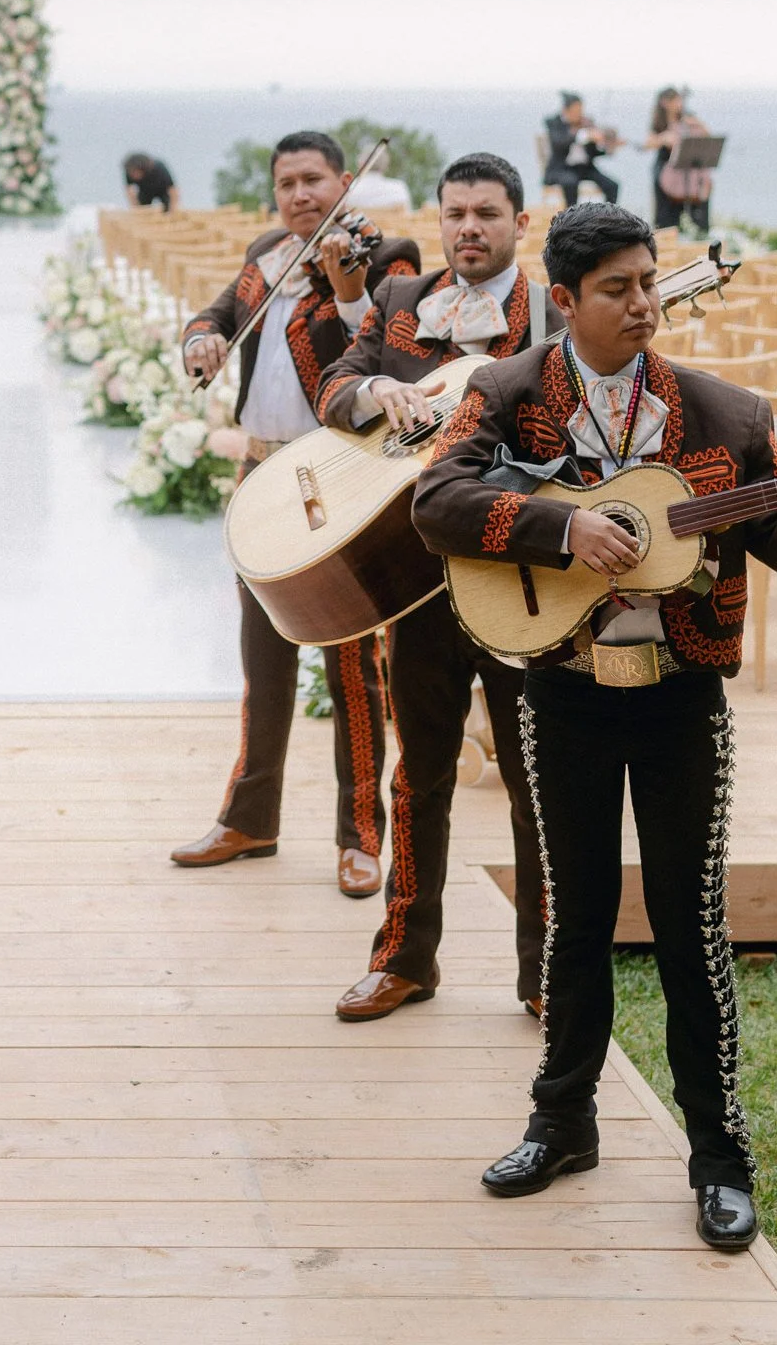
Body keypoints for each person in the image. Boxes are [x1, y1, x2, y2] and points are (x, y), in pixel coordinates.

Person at [412, 201, 777, 1250]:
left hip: (685, 700)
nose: (644, 303)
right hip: (565, 692)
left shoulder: (725, 413)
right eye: (619, 288)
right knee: (578, 919)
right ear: (565, 300)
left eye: (649, 282)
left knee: (691, 926)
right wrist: (561, 524)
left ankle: (720, 1158)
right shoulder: (506, 392)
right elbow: (437, 499)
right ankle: (562, 1124)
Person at [313, 151, 549, 1020]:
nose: (469, 229)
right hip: (416, 581)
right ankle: (406, 957)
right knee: (420, 776)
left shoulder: (557, 314)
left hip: (527, 582)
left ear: (520, 224)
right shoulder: (402, 302)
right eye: (455, 214)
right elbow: (334, 386)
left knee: (539, 781)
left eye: (487, 214)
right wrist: (378, 388)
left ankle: (545, 972)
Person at [171, 131, 419, 893]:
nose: (301, 196)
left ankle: (360, 836)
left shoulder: (387, 257)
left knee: (348, 663)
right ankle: (251, 817)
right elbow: (213, 315)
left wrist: (346, 288)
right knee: (263, 659)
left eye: (314, 180)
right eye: (288, 184)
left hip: (331, 474)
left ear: (344, 181)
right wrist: (204, 341)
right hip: (260, 469)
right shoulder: (268, 251)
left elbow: (381, 355)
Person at [650, 88, 714, 234]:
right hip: (667, 169)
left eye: (679, 100)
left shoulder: (688, 118)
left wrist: (699, 124)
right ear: (665, 102)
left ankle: (701, 232)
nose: (679, 104)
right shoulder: (660, 121)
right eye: (675, 101)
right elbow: (648, 142)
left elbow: (707, 136)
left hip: (689, 170)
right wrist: (664, 138)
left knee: (702, 197)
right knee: (666, 213)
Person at [541, 94, 621, 205]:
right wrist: (583, 135)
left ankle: (608, 217)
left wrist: (606, 146)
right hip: (561, 169)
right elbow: (558, 143)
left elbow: (594, 152)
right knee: (570, 183)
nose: (579, 114)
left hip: (585, 169)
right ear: (566, 110)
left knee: (612, 185)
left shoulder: (587, 123)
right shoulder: (554, 123)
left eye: (581, 110)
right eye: (576, 110)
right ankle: (572, 218)